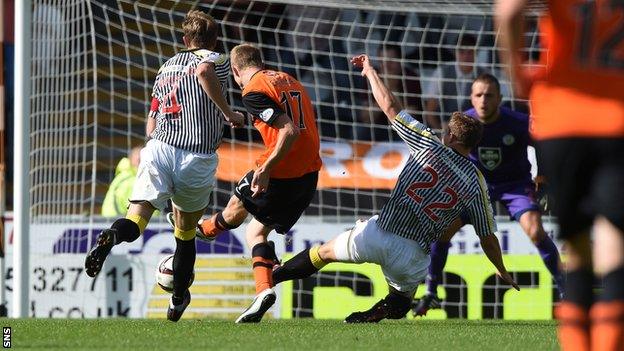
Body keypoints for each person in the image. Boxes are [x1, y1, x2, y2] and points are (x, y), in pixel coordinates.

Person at [269, 54, 519, 323]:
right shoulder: (475, 180)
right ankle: (377, 312)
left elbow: (389, 106)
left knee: (324, 253)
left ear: (450, 136)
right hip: (412, 255)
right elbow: (487, 236)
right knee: (401, 303)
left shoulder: (428, 143)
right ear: (473, 145)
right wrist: (501, 269)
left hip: (377, 233)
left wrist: (370, 71)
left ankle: (275, 275)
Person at [84, 10, 244, 322]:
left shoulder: (167, 66)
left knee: (136, 220)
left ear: (185, 40)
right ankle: (178, 300)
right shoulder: (218, 58)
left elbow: (150, 122)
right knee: (184, 234)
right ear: (216, 40)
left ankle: (112, 238)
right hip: (195, 154)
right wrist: (228, 113)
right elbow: (204, 71)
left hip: (158, 147)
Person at [496, 1, 624, 350]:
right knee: (614, 241)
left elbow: (508, 11)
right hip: (616, 120)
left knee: (578, 246)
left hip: (561, 121)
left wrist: (518, 73)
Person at [189, 43, 322, 323]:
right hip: (309, 173)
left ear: (236, 70)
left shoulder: (253, 90)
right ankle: (263, 291)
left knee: (241, 215)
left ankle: (205, 230)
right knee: (257, 229)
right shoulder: (288, 79)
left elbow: (289, 131)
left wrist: (267, 169)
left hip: (281, 170)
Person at [412, 73, 564, 316]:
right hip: (473, 189)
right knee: (442, 232)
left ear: (500, 98)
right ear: (471, 98)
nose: (484, 100)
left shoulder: (517, 122)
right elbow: (445, 153)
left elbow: (543, 142)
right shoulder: (463, 124)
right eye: (479, 95)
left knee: (535, 231)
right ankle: (431, 293)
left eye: (489, 95)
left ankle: (565, 291)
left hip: (514, 186)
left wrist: (543, 178)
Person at [355, 44, 422, 141]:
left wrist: (392, 90)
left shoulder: (410, 77)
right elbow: (366, 117)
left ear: (400, 60)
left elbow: (409, 120)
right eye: (382, 61)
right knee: (360, 132)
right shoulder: (372, 77)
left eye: (391, 61)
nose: (387, 66)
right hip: (377, 126)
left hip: (401, 129)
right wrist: (384, 90)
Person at [423, 34, 487, 130]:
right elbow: (430, 110)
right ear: (455, 52)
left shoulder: (484, 75)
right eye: (461, 52)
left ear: (476, 53)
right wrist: (440, 133)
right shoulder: (442, 72)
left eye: (470, 52)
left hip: (473, 131)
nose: (466, 56)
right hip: (444, 128)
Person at [101, 146, 142, 217]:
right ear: (131, 161)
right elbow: (138, 211)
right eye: (139, 160)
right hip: (118, 223)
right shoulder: (132, 181)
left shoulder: (123, 176)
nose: (142, 163)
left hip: (110, 222)